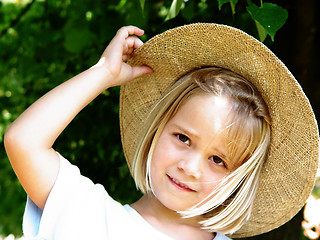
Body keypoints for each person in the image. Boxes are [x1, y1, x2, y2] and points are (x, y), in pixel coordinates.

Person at [4, 23, 319, 240]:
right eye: (183, 138)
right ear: (157, 129)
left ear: (241, 177)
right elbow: (24, 141)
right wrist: (104, 73)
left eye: (218, 160)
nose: (190, 167)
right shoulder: (91, 217)